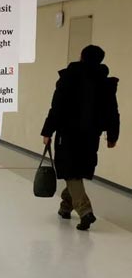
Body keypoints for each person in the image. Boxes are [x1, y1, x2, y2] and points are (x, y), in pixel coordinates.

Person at [41, 45, 120, 231]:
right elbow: (112, 112)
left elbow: (57, 107)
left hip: (67, 134)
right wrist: (112, 135)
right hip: (91, 135)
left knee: (70, 172)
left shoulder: (68, 78)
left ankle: (85, 211)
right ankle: (65, 207)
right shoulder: (105, 82)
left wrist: (47, 131)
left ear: (81, 56)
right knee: (77, 169)